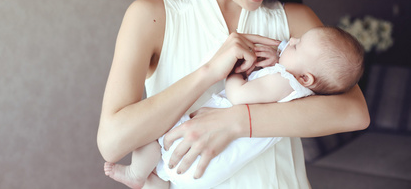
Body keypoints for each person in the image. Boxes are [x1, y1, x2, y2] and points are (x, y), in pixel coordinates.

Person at [97, 0, 370, 188]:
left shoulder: (295, 20)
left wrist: (237, 123)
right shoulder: (152, 16)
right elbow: (112, 143)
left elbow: (355, 113)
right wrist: (208, 73)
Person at [103, 26, 364, 188]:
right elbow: (286, 67)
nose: (291, 39)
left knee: (152, 134)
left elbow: (240, 96)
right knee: (163, 169)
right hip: (208, 168)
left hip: (205, 149)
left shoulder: (284, 81)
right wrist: (280, 56)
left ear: (305, 78)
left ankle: (137, 173)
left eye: (296, 45)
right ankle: (150, 179)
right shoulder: (298, 85)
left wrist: (232, 72)